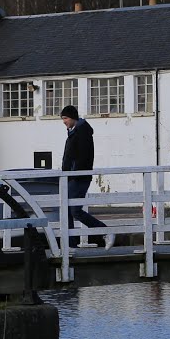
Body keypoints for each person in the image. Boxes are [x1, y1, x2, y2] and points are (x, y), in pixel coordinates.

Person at [59, 105, 109, 246]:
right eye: (63, 119)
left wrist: (73, 172)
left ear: (73, 117)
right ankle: (70, 244)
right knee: (67, 210)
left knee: (74, 210)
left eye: (65, 118)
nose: (64, 121)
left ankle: (104, 231)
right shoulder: (75, 132)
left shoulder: (81, 133)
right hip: (72, 177)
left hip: (78, 177)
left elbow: (82, 157)